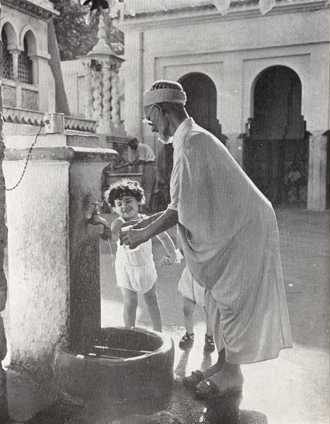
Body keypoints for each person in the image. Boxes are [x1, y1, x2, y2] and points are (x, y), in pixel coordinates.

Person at [120, 80, 292, 399]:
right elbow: (179, 205)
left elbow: (181, 209)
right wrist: (142, 227)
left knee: (232, 300)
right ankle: (223, 367)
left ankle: (233, 375)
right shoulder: (189, 140)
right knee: (217, 298)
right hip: (236, 227)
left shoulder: (194, 142)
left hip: (245, 229)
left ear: (160, 110)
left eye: (150, 118)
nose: (149, 124)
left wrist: (143, 233)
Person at [105, 179, 177, 332]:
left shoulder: (147, 221)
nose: (124, 206)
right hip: (125, 268)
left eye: (128, 201)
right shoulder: (117, 223)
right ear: (115, 209)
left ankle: (158, 331)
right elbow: (111, 237)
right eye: (119, 204)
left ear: (138, 201)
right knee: (130, 302)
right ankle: (129, 332)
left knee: (151, 300)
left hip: (145, 267)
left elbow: (163, 236)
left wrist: (172, 254)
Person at [178, 266, 215, 353]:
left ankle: (209, 336)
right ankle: (189, 335)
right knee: (187, 309)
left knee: (209, 310)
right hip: (191, 275)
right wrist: (175, 257)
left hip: (208, 276)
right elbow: (184, 252)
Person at [128, 137, 157, 212]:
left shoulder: (140, 147)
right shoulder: (142, 147)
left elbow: (141, 160)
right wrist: (133, 162)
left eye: (131, 145)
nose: (131, 148)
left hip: (149, 166)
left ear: (135, 142)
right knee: (148, 187)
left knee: (147, 187)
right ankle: (149, 207)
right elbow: (139, 159)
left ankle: (146, 207)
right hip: (150, 166)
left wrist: (133, 164)